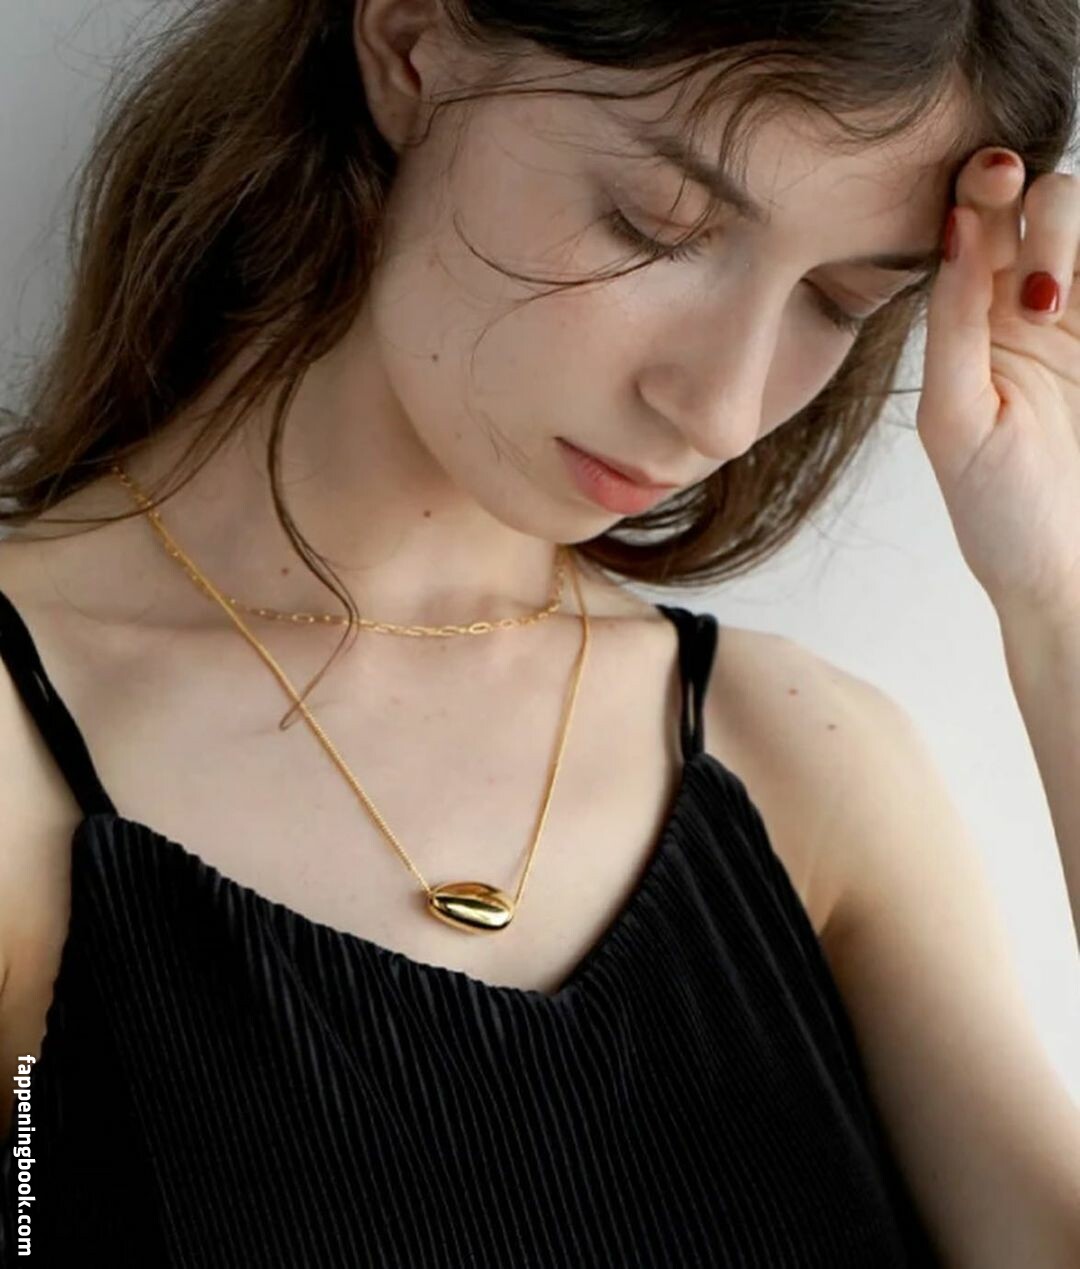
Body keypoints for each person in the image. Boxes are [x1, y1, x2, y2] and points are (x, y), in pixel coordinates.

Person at [1, 0, 1079, 1264]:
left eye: (841, 300)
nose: (724, 406)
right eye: (655, 225)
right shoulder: (26, 751)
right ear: (414, 43)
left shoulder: (798, 758)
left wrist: (1056, 602)